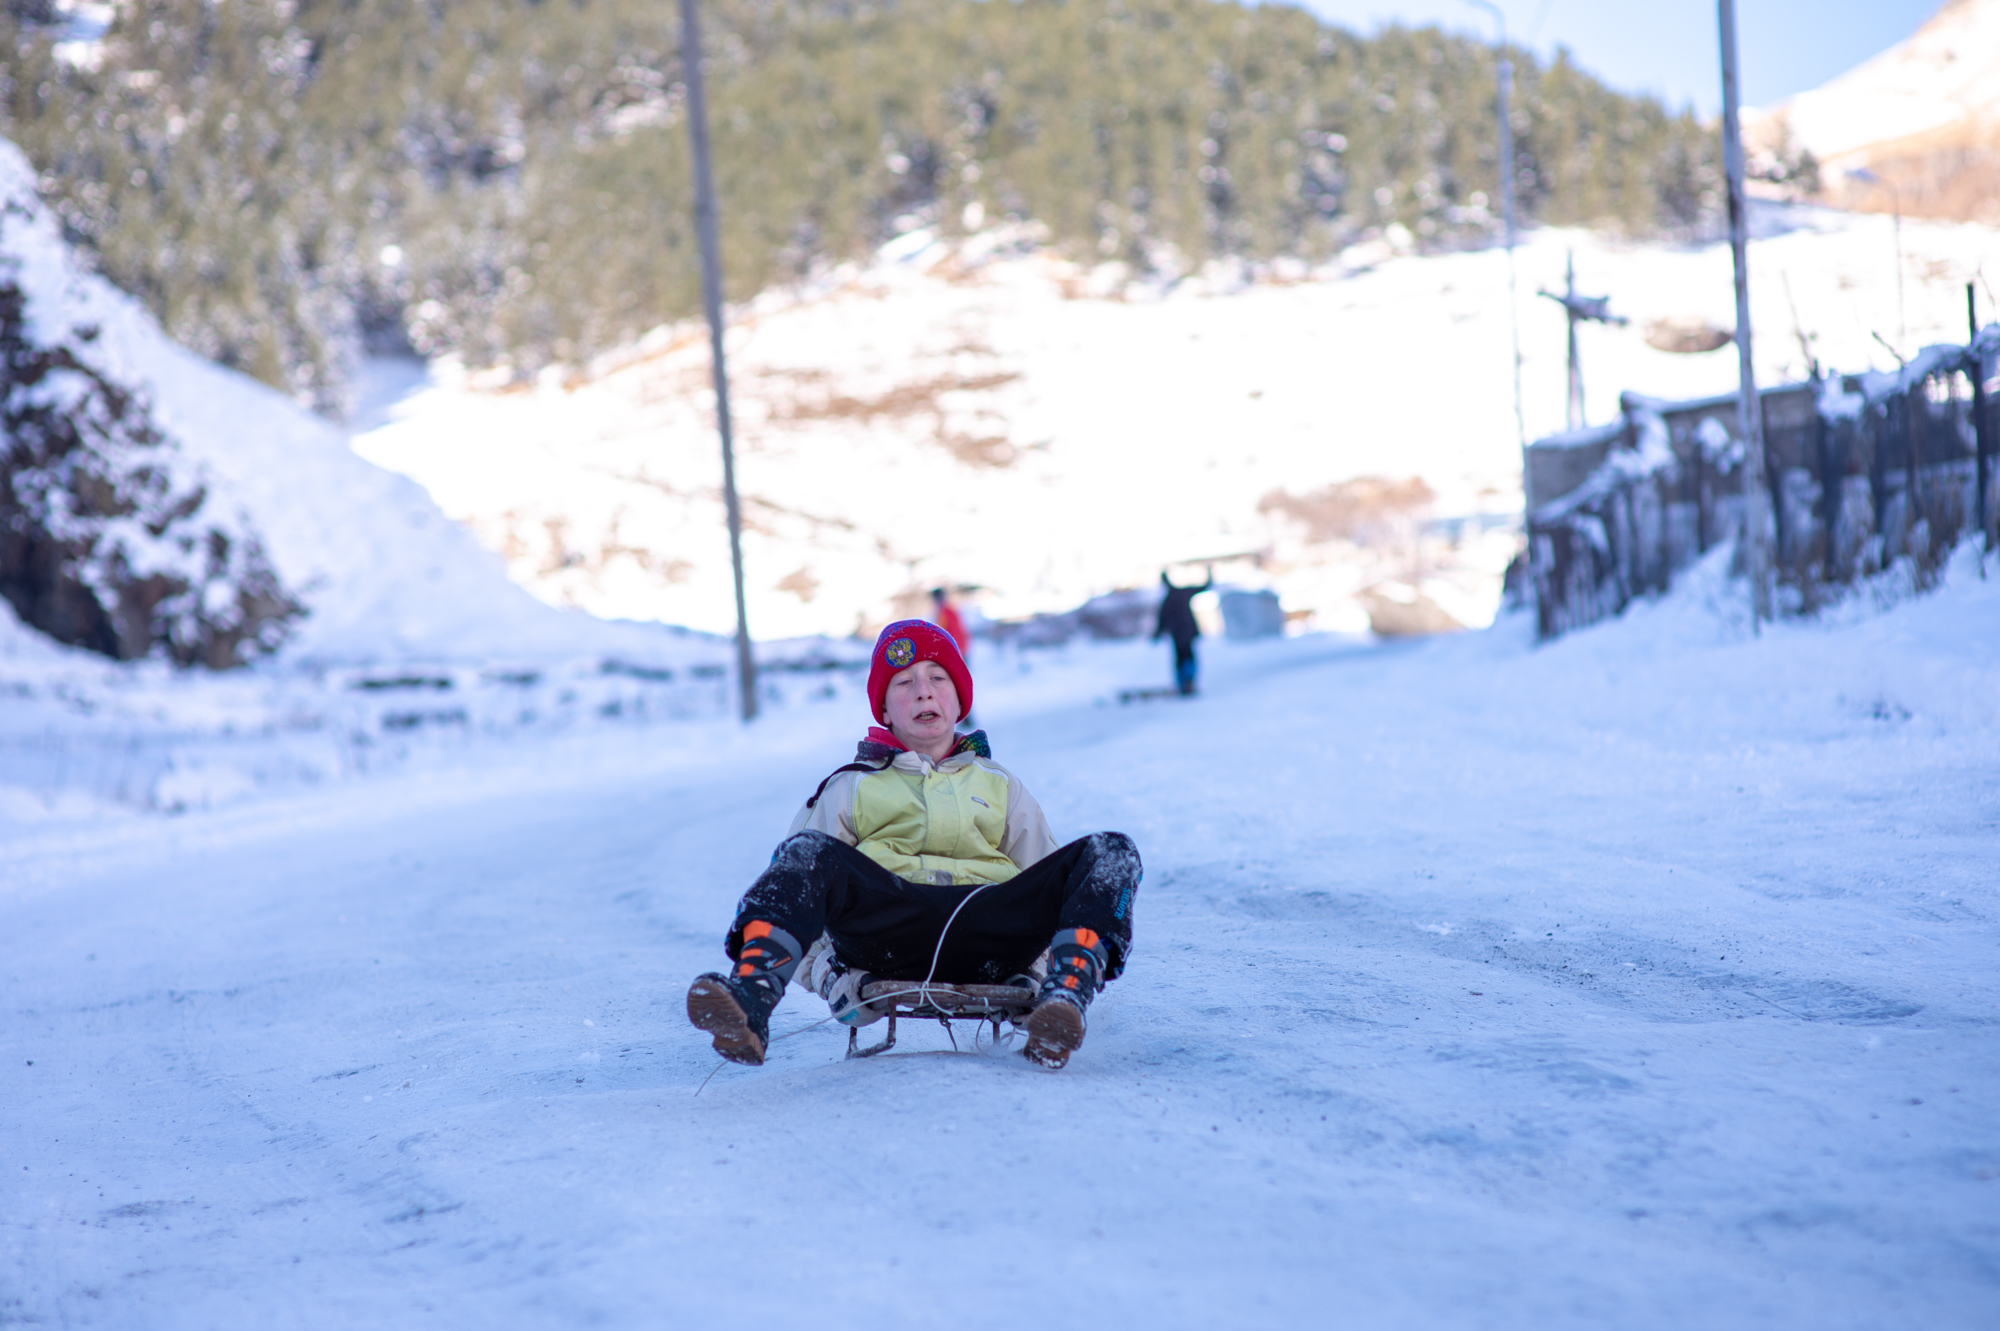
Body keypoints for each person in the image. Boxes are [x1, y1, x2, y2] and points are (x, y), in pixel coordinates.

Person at [686, 619, 1141, 1070]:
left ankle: (1063, 997)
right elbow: (798, 891)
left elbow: (1050, 881)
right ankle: (750, 995)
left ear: (959, 700)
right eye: (904, 682)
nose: (923, 691)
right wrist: (833, 978)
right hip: (887, 931)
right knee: (805, 851)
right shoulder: (851, 785)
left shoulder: (1001, 785)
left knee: (1111, 851)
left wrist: (1035, 975)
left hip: (993, 933)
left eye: (938, 678)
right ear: (883, 709)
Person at [1154, 567, 1213, 696]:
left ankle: (1184, 684)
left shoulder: (1168, 599)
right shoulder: (1183, 594)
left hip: (1177, 635)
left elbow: (1161, 620)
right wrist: (1209, 572)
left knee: (1181, 660)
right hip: (1188, 633)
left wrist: (1156, 635)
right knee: (1188, 658)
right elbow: (1206, 586)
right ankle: (1188, 683)